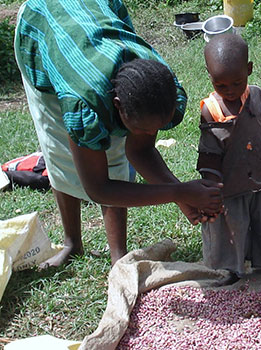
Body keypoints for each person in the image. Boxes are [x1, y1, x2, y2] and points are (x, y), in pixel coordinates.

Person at [14, 0, 223, 268]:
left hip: (95, 8)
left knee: (115, 161)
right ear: (117, 106)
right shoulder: (85, 102)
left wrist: (180, 195)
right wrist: (177, 192)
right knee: (61, 154)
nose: (150, 134)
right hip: (43, 24)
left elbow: (139, 150)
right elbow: (99, 188)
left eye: (156, 128)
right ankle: (72, 242)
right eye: (142, 129)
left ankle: (118, 256)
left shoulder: (154, 83)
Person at [196, 34, 261, 290]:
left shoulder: (257, 97)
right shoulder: (211, 109)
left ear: (249, 69)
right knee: (232, 231)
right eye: (221, 85)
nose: (230, 91)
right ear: (209, 76)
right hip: (230, 187)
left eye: (237, 83)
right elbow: (209, 154)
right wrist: (211, 189)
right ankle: (233, 269)